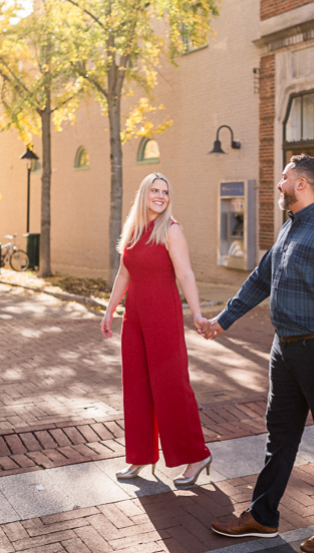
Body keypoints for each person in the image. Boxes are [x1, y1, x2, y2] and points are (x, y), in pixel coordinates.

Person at [205, 154, 314, 553]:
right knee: (280, 437)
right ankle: (263, 516)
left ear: (302, 184)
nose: (279, 184)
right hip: (285, 351)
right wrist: (223, 321)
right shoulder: (289, 229)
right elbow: (260, 281)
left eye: (285, 177)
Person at [100, 173, 213, 488]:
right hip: (134, 316)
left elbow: (185, 273)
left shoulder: (171, 230)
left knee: (171, 386)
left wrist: (198, 313)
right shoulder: (134, 229)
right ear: (144, 194)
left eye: (165, 191)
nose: (160, 196)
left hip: (163, 314)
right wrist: (110, 310)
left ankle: (196, 455)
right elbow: (124, 272)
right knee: (135, 386)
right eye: (155, 190)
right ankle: (140, 455)